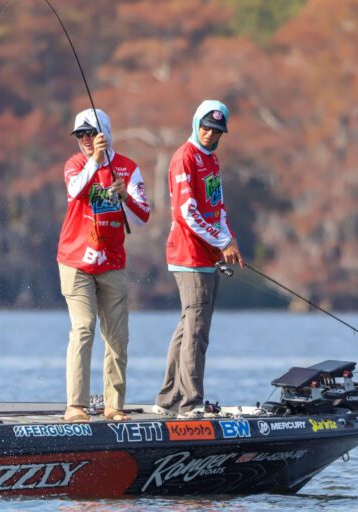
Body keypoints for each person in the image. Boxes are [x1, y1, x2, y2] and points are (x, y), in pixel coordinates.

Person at [57, 108, 150, 423]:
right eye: (79, 135)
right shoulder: (75, 164)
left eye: (89, 134)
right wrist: (95, 161)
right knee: (83, 328)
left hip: (111, 263)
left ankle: (114, 406)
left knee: (117, 338)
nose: (84, 140)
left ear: (104, 134)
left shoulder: (128, 167)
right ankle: (76, 406)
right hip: (75, 261)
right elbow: (75, 191)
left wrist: (127, 198)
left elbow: (141, 216)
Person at [154, 100, 244, 419]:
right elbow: (186, 213)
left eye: (216, 130)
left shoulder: (212, 161)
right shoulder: (184, 158)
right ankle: (191, 403)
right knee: (197, 330)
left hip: (208, 256)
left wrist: (229, 241)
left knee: (187, 326)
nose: (209, 133)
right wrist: (222, 242)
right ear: (196, 124)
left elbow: (217, 209)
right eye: (205, 126)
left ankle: (169, 397)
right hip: (188, 256)